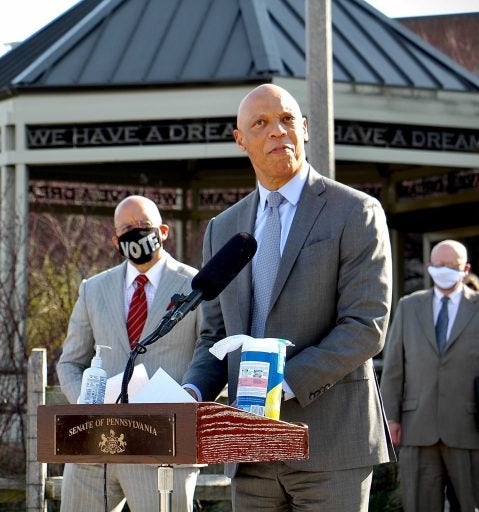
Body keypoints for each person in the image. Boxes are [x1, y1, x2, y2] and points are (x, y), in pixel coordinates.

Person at [181, 83, 394, 511]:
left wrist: (283, 385)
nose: (278, 131)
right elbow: (215, 335)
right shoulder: (224, 229)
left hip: (330, 446)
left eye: (287, 119)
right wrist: (192, 390)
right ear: (241, 140)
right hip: (250, 450)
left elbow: (365, 327)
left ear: (306, 129)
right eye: (261, 123)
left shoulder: (355, 211)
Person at [56, 195, 202, 512]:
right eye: (127, 228)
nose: (136, 233)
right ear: (115, 239)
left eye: (144, 226)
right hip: (93, 443)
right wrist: (87, 406)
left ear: (163, 231)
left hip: (163, 442)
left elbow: (209, 353)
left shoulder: (196, 286)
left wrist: (188, 401)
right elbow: (70, 361)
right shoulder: (93, 289)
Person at [380, 240, 479, 512]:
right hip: (417, 429)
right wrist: (391, 417)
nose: (444, 270)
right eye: (438, 265)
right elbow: (394, 367)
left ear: (465, 269)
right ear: (430, 267)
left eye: (451, 266)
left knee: (476, 506)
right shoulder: (408, 307)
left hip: (470, 429)